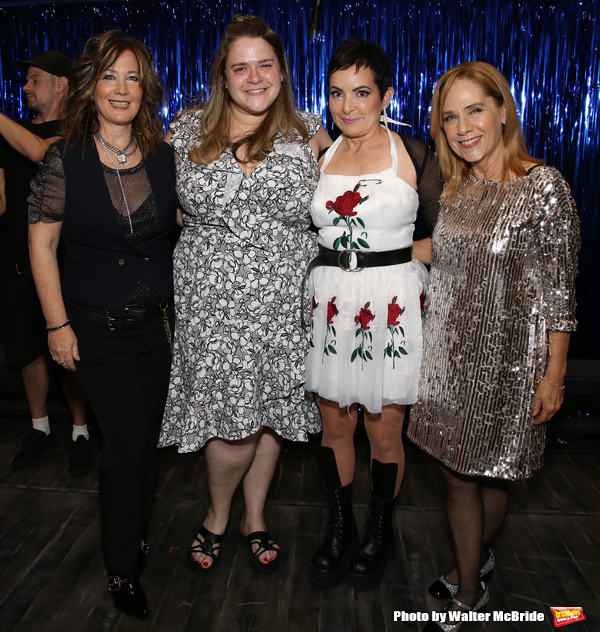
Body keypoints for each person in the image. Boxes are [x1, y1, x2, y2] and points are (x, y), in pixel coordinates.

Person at [407, 62, 580, 630]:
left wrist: (553, 377)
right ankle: (470, 569)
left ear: (503, 109)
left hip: (509, 366)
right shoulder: (458, 186)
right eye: (450, 117)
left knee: (495, 472)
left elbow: (559, 294)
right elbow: (440, 251)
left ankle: (469, 583)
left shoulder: (543, 188)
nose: (463, 128)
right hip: (448, 360)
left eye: (474, 110)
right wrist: (363, 258)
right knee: (454, 474)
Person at [159, 15, 330, 575]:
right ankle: (216, 514)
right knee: (231, 422)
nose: (254, 76)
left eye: (265, 64)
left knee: (272, 414)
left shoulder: (310, 135)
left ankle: (255, 516)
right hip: (211, 305)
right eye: (241, 67)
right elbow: (149, 203)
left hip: (283, 303)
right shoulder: (185, 131)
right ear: (223, 77)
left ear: (282, 72)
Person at [28, 31, 178, 619]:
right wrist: (56, 325)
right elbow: (41, 247)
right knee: (122, 444)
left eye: (133, 77)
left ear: (146, 88)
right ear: (92, 85)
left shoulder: (165, 157)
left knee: (145, 444)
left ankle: (135, 532)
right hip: (93, 327)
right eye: (111, 76)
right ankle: (122, 566)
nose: (122, 89)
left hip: (158, 329)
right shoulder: (65, 157)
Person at [305, 39, 441, 590]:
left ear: (385, 96)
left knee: (385, 434)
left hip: (392, 305)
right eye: (337, 94)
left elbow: (448, 236)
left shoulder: (418, 154)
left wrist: (392, 259)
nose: (348, 106)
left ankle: (378, 531)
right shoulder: (322, 153)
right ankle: (340, 528)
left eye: (361, 93)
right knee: (334, 425)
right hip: (333, 303)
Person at [0, 51, 92, 476]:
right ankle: (38, 428)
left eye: (35, 79)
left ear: (61, 84)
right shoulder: (12, 135)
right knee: (26, 352)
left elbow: (37, 153)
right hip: (16, 263)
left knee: (68, 353)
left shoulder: (78, 132)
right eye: (26, 81)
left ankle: (80, 431)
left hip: (64, 266)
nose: (26, 87)